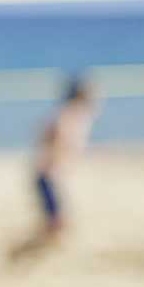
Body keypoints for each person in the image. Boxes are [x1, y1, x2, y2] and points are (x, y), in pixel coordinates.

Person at [9, 74, 98, 263]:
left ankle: (20, 254)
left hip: (51, 175)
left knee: (56, 227)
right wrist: (54, 158)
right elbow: (51, 138)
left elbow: (47, 135)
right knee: (56, 226)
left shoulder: (75, 116)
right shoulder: (68, 116)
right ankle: (17, 253)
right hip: (48, 175)